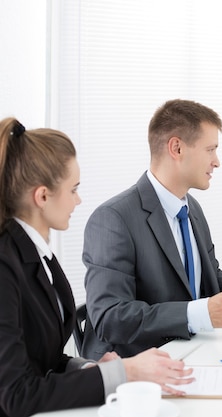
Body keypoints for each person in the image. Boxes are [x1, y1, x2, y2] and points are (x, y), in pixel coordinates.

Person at [0, 118, 193, 416]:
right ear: (42, 196)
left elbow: (42, 360)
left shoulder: (37, 253)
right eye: (73, 189)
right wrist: (124, 372)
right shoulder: (4, 264)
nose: (79, 200)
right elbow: (16, 395)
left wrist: (89, 368)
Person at [82, 99, 222, 360]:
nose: (217, 161)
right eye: (210, 149)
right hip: (140, 362)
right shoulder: (113, 219)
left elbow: (210, 276)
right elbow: (110, 317)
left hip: (194, 350)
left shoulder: (190, 207)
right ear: (177, 148)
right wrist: (200, 313)